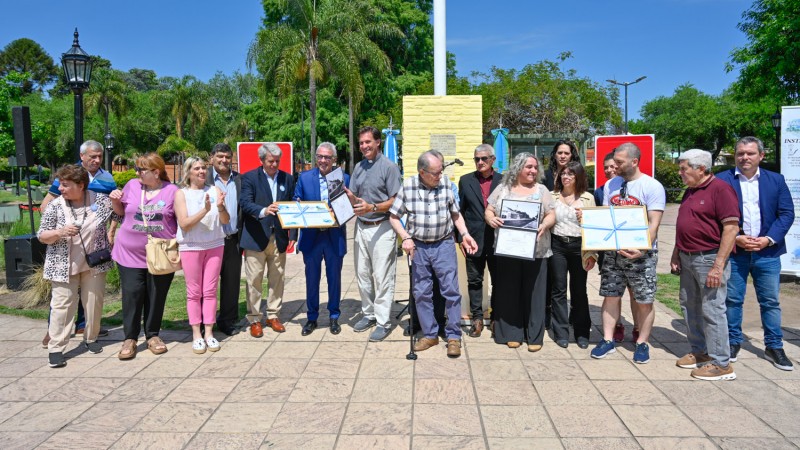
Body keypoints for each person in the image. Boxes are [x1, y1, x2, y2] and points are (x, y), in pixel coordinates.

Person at [718, 136, 795, 371]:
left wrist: (768, 239)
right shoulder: (722, 180)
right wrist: (736, 237)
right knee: (732, 300)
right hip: (736, 252)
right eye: (740, 153)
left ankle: (774, 346)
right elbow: (715, 216)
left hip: (768, 253)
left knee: (770, 302)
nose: (744, 157)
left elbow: (786, 214)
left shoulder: (776, 180)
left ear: (761, 155)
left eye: (750, 153)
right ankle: (732, 342)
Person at [390, 151, 477, 358]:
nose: (440, 175)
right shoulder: (408, 186)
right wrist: (405, 237)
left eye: (441, 170)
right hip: (418, 246)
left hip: (444, 244)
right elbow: (394, 217)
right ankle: (430, 334)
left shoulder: (446, 183)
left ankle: (454, 336)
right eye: (436, 172)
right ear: (422, 172)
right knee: (421, 292)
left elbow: (455, 214)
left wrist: (464, 234)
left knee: (451, 292)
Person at [591, 142, 665, 364]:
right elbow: (606, 216)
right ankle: (607, 339)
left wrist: (641, 249)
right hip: (613, 253)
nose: (615, 165)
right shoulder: (611, 185)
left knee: (644, 300)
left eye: (620, 162)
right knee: (610, 296)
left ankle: (642, 342)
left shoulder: (651, 186)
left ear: (635, 161)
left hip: (641, 255)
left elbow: (654, 224)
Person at [670, 150, 740, 380]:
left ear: (701, 168)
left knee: (712, 309)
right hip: (687, 257)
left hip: (709, 258)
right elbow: (684, 224)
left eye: (684, 169)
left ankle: (722, 363)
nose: (680, 173)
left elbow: (731, 228)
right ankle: (700, 352)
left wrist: (718, 266)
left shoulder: (720, 190)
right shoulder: (691, 190)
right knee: (690, 306)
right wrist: (676, 253)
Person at [38, 165, 114, 367]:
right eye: (60, 184)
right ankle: (56, 348)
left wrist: (112, 230)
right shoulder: (55, 206)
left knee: (94, 304)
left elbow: (118, 214)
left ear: (80, 185)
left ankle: (91, 339)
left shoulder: (100, 200)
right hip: (63, 265)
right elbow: (42, 235)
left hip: (94, 264)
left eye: (65, 185)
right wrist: (60, 232)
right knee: (62, 307)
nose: (60, 189)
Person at [110, 153, 178, 360]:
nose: (137, 172)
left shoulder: (172, 191)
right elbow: (121, 212)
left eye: (141, 169)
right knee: (132, 293)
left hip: (160, 254)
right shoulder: (132, 185)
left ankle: (153, 335)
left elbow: (181, 218)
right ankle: (130, 338)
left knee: (156, 295)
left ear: (156, 172)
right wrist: (115, 202)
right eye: (137, 169)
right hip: (129, 252)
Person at [485, 153, 556, 352]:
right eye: (529, 167)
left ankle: (534, 336)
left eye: (535, 167)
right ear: (518, 168)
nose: (533, 170)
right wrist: (491, 220)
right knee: (509, 291)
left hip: (537, 251)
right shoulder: (502, 188)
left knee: (535, 293)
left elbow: (552, 214)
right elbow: (489, 210)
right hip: (508, 250)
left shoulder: (542, 190)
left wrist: (544, 224)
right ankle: (511, 333)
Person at [345, 126, 402, 342]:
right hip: (361, 227)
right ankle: (368, 314)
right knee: (362, 275)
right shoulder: (358, 167)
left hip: (382, 226)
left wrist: (373, 207)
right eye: (361, 143)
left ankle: (383, 321)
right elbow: (356, 199)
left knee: (382, 276)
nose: (364, 146)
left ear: (378, 142)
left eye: (368, 142)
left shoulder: (389, 167)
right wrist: (348, 198)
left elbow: (396, 200)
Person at [239, 142, 295, 337]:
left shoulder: (287, 178)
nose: (274, 164)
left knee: (277, 278)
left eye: (277, 161)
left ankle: (273, 315)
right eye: (271, 161)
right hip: (256, 238)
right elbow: (245, 203)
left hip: (278, 238)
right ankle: (254, 319)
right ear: (261, 160)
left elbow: (291, 208)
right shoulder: (249, 178)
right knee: (254, 280)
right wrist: (264, 211)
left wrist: (293, 235)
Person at [175, 156, 230, 354]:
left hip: (215, 244)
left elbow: (225, 219)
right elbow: (184, 223)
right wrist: (205, 210)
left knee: (210, 290)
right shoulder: (181, 194)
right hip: (191, 247)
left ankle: (209, 332)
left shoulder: (214, 190)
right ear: (188, 172)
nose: (201, 171)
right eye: (197, 168)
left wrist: (221, 206)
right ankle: (196, 333)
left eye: (203, 168)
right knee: (194, 292)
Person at [294, 142, 350, 336]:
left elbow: (349, 205)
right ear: (316, 157)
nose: (323, 160)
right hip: (312, 237)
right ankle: (312, 318)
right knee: (312, 279)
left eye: (327, 157)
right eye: (320, 156)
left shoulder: (342, 178)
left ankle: (334, 316)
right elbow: (296, 199)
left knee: (334, 279)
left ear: (334, 159)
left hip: (334, 237)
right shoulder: (304, 177)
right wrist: (297, 204)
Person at [550, 161, 597, 349]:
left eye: (570, 174)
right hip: (557, 245)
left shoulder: (588, 198)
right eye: (563, 174)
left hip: (579, 247)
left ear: (578, 177)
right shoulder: (552, 196)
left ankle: (582, 332)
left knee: (579, 290)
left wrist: (593, 254)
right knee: (559, 290)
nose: (566, 177)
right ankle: (561, 332)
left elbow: (595, 227)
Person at [458, 144, 501, 338]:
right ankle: (476, 318)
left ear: (493, 159)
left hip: (499, 239)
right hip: (473, 239)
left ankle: (496, 317)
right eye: (476, 159)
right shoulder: (465, 180)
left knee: (499, 281)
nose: (480, 162)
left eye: (484, 159)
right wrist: (461, 237)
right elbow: (459, 211)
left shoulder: (504, 181)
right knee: (474, 280)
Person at [595, 151, 637, 344]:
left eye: (613, 166)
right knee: (612, 292)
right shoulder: (601, 191)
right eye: (606, 167)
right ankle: (616, 325)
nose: (610, 170)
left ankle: (637, 327)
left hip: (635, 249)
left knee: (635, 292)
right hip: (609, 250)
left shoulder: (637, 186)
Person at [207, 143, 243, 336]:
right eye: (220, 156)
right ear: (211, 157)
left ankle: (227, 321)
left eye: (227, 157)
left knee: (231, 282)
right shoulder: (201, 177)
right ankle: (207, 322)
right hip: (210, 240)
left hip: (233, 239)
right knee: (208, 283)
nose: (224, 160)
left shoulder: (239, 179)